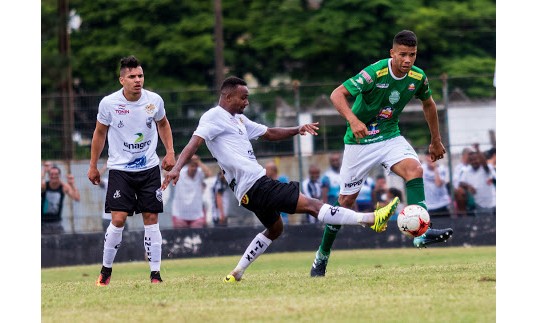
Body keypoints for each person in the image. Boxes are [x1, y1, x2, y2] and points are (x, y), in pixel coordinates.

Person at [161, 76, 400, 282]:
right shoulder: (213, 116)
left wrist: (298, 129)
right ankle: (370, 219)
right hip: (257, 184)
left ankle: (237, 272)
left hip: (247, 193)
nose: (247, 102)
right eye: (242, 98)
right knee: (312, 205)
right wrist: (176, 168)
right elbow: (195, 141)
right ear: (227, 97)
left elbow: (269, 133)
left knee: (275, 229)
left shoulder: (239, 120)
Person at [309, 30, 454, 277]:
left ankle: (421, 233)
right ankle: (321, 257)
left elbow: (428, 103)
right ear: (392, 53)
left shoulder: (418, 77)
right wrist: (353, 120)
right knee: (345, 202)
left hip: (389, 136)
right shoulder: (375, 73)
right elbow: (337, 94)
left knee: (414, 169)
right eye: (403, 55)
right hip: (360, 141)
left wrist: (436, 140)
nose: (408, 60)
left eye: (413, 55)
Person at [87, 55, 176, 286]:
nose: (138, 80)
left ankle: (155, 274)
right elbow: (99, 133)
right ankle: (105, 271)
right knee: (118, 219)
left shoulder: (154, 100)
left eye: (140, 75)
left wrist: (170, 152)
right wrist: (93, 165)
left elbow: (163, 124)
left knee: (151, 217)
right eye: (132, 77)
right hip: (120, 170)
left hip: (148, 168)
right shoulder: (109, 103)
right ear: (122, 80)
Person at [170, 154, 212, 228]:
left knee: (197, 239)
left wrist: (198, 161)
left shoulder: (199, 173)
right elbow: (166, 173)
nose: (194, 168)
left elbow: (209, 174)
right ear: (188, 165)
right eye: (192, 166)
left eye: (196, 166)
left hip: (197, 216)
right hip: (179, 215)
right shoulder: (180, 173)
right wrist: (182, 158)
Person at [41, 164, 80, 234]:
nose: (53, 176)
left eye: (56, 174)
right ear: (49, 175)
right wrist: (44, 171)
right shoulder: (44, 186)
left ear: (59, 175)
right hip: (43, 223)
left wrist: (72, 185)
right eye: (51, 174)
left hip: (57, 223)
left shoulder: (63, 187)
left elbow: (77, 198)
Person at [458, 151, 496, 216]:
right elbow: (461, 183)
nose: (474, 162)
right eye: (471, 160)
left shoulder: (487, 168)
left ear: (480, 159)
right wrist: (468, 186)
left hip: (494, 203)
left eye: (476, 159)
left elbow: (485, 165)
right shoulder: (466, 171)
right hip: (480, 204)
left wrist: (478, 150)